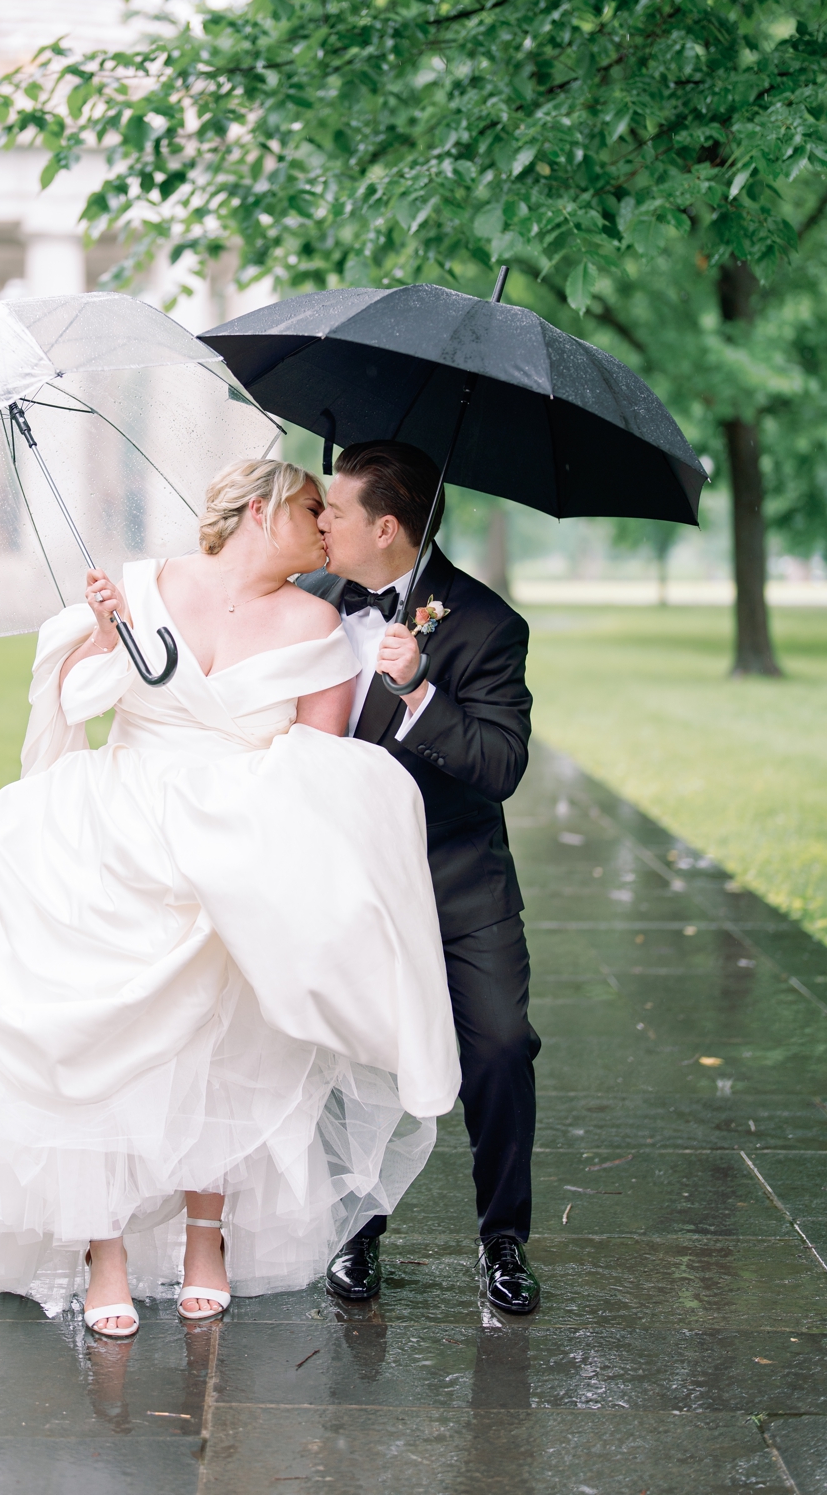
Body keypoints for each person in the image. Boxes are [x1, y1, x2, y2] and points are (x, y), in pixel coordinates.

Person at [0, 458, 460, 1338]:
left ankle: (205, 1237)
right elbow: (78, 701)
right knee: (89, 1046)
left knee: (220, 1048)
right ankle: (100, 1250)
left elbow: (317, 759)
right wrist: (107, 636)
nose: (326, 528)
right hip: (110, 833)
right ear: (262, 509)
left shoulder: (321, 621)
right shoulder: (139, 586)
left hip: (229, 844)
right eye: (312, 508)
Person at [298, 440, 541, 1316]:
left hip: (457, 882)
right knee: (346, 1060)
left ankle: (503, 1238)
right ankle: (354, 1232)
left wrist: (420, 695)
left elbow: (502, 765)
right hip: (350, 886)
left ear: (387, 525)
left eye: (335, 510)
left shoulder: (486, 623)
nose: (319, 521)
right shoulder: (312, 602)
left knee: (502, 1048)